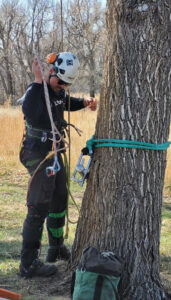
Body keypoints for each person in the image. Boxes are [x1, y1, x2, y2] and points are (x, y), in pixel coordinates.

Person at [19, 52, 97, 278]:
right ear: (51, 71)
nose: (62, 87)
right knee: (38, 205)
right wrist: (36, 79)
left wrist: (84, 102)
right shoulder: (37, 90)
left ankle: (55, 247)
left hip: (54, 152)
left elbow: (65, 103)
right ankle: (28, 263)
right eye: (60, 82)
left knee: (60, 196)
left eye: (65, 84)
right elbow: (29, 111)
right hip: (37, 153)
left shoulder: (59, 91)